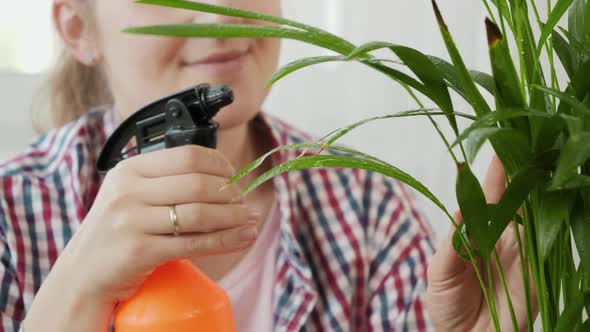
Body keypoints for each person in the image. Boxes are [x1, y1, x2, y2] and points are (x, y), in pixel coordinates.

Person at [0, 0, 534, 331]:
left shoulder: (370, 213)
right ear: (77, 27)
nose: (219, 15)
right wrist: (76, 294)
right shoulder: (11, 216)